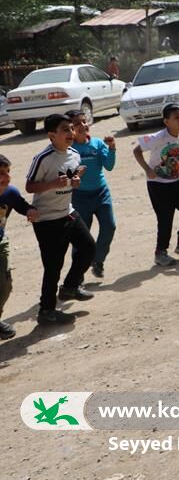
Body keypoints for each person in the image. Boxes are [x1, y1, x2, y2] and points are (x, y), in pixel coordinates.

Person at [26, 114, 96, 324]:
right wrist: (53, 184)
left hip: (68, 211)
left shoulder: (74, 154)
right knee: (53, 266)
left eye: (71, 129)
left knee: (89, 248)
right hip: (47, 219)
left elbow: (71, 177)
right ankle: (46, 311)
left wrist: (74, 181)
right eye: (65, 129)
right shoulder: (43, 158)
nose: (71, 133)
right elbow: (30, 186)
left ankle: (70, 288)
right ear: (51, 135)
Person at [133, 104, 179, 267]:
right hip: (157, 185)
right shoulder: (157, 137)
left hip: (176, 181)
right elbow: (136, 150)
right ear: (166, 121)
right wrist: (147, 169)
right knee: (165, 218)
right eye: (176, 117)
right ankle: (160, 252)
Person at [68, 109, 116, 278]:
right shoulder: (68, 149)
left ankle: (98, 261)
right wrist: (74, 174)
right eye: (76, 124)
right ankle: (77, 276)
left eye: (84, 121)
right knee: (81, 236)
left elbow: (109, 166)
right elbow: (63, 174)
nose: (82, 126)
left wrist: (111, 149)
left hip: (101, 193)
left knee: (110, 226)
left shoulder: (97, 143)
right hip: (79, 198)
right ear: (70, 129)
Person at [0, 154, 39, 338]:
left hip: (0, 245)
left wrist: (30, 210)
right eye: (1, 173)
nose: (7, 177)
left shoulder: (10, 193)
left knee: (4, 286)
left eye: (8, 172)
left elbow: (21, 205)